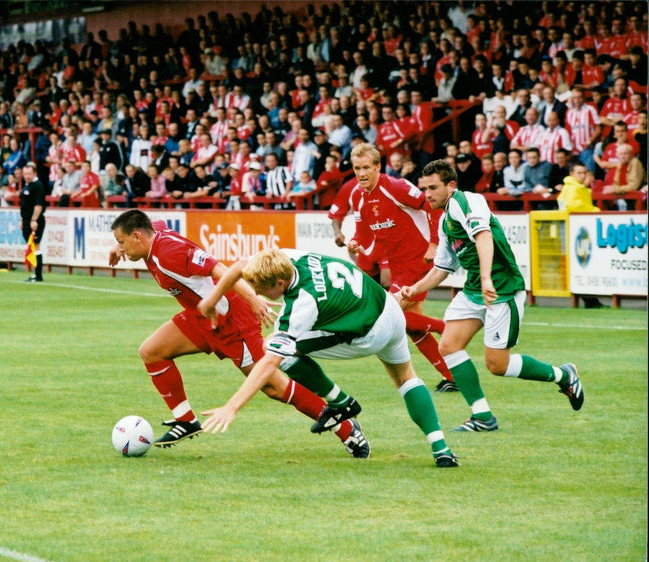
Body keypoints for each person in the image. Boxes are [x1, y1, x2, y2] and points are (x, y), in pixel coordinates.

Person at [108, 210, 369, 457]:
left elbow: (219, 269)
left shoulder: (169, 252)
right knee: (152, 351)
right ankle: (186, 420)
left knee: (273, 386)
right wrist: (118, 247)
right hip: (201, 316)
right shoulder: (155, 235)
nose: (121, 247)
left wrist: (253, 298)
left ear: (138, 237)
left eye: (122, 241)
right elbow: (154, 224)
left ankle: (346, 429)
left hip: (231, 320)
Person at [197, 248, 459, 467]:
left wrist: (232, 407)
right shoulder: (286, 258)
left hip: (368, 333)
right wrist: (212, 300)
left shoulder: (302, 302)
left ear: (279, 283)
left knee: (275, 350)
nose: (257, 293)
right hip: (387, 306)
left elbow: (270, 364)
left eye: (261, 289)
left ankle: (341, 402)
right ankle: (441, 449)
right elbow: (241, 265)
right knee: (406, 377)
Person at [400, 159, 584, 433]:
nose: (427, 194)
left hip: (501, 289)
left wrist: (486, 277)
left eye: (433, 188)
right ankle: (482, 416)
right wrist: (416, 288)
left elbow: (483, 236)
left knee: (497, 365)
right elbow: (442, 268)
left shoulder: (466, 202)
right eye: (424, 188)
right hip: (475, 290)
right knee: (449, 345)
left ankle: (562, 375)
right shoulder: (445, 221)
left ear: (451, 186)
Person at [346, 143, 456, 391]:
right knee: (410, 326)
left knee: (389, 313)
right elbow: (363, 232)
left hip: (418, 258)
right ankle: (452, 376)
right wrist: (356, 242)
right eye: (357, 168)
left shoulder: (395, 187)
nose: (361, 173)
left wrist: (434, 244)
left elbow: (432, 205)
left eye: (366, 168)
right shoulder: (357, 195)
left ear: (378, 166)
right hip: (399, 265)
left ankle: (445, 328)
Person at [20, 163, 47, 283]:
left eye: (29, 174)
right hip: (26, 220)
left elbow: (38, 205)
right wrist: (22, 219)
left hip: (34, 221)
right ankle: (34, 273)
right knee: (31, 246)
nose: (27, 176)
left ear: (34, 173)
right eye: (25, 174)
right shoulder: (27, 185)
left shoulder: (38, 186)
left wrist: (34, 220)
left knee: (36, 245)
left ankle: (38, 274)